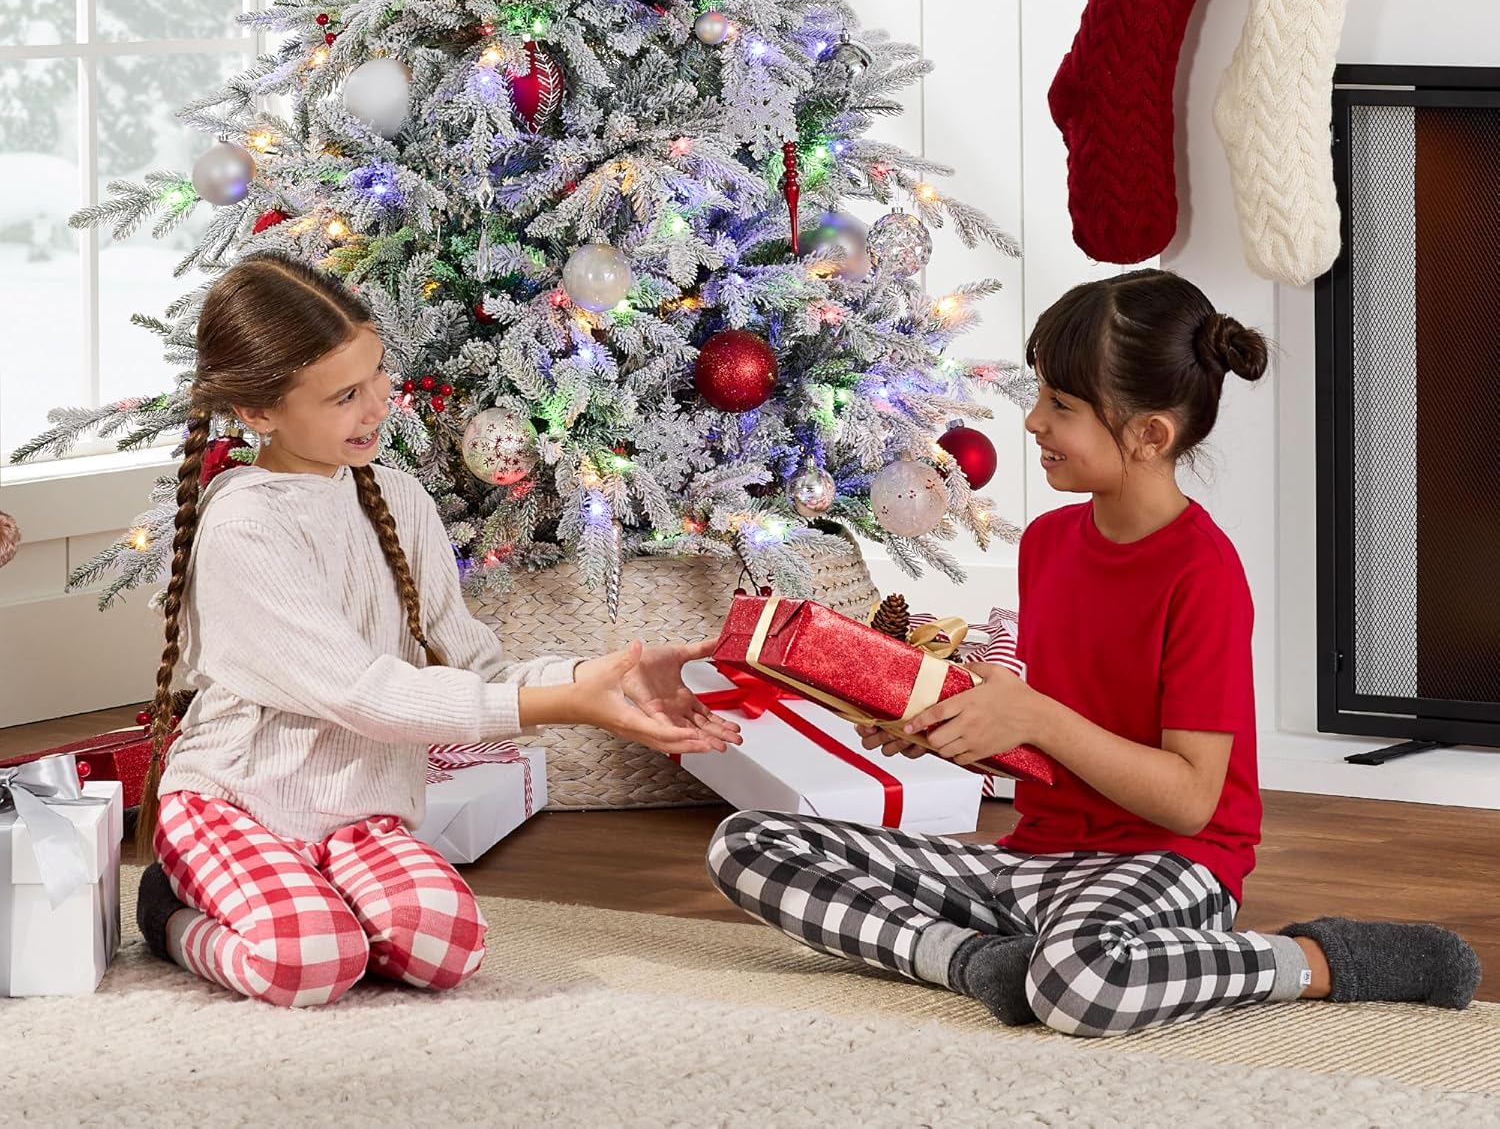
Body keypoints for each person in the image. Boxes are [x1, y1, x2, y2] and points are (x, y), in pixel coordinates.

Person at [707, 269, 1479, 1036]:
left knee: (1082, 980)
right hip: (1032, 864)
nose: (1033, 421)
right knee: (750, 842)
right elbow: (1053, 746)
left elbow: (1189, 800)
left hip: (1169, 862)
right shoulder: (1047, 543)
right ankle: (977, 962)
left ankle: (1313, 960)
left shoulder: (1202, 573)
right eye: (1041, 395)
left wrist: (1034, 715)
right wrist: (948, 723)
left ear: (1150, 435)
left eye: (1062, 406)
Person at [133, 251, 739, 1008]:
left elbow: (475, 672)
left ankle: (320, 898)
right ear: (258, 413)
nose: (376, 406)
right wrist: (564, 707)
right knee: (310, 965)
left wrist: (595, 679)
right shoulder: (245, 527)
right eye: (344, 396)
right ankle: (170, 913)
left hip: (355, 817)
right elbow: (365, 695)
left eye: (377, 374)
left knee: (447, 947)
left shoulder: (398, 499)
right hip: (235, 805)